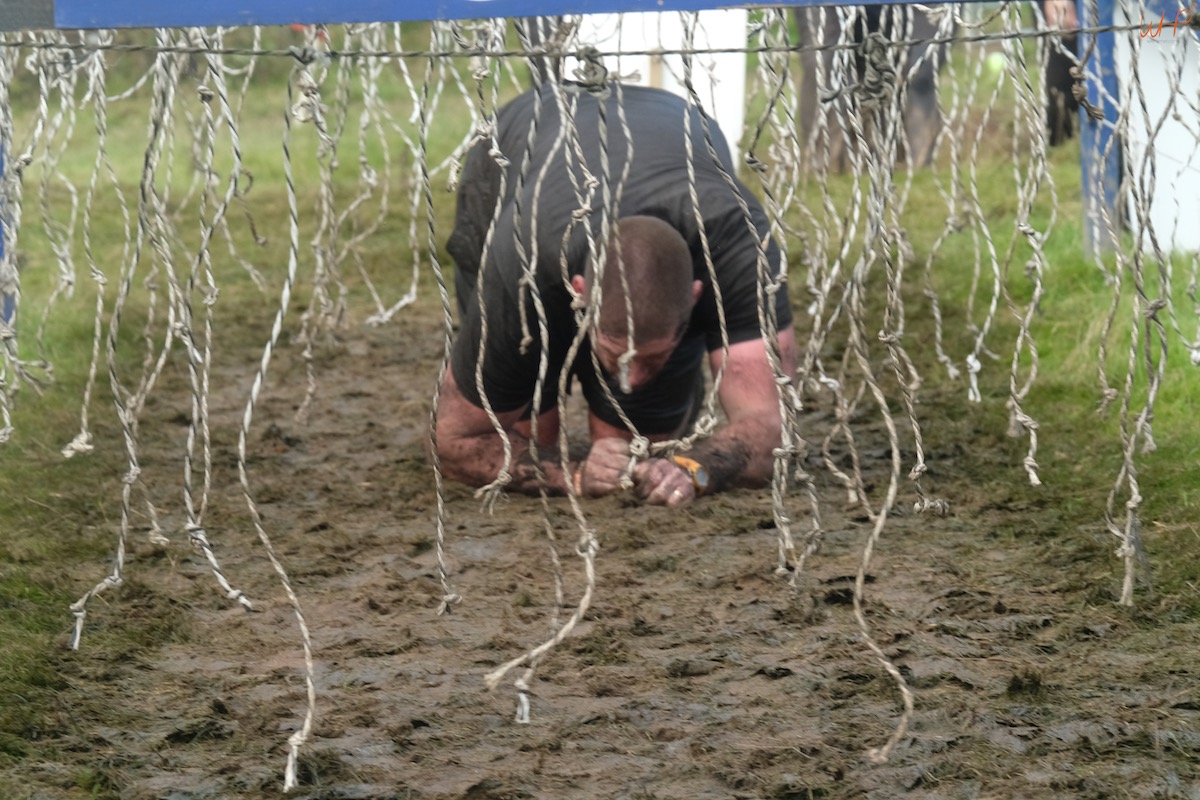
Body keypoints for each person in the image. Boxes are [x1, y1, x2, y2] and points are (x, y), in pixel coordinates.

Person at [433, 83, 796, 507]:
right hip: (518, 148)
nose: (632, 377)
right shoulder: (522, 254)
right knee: (533, 431)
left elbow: (773, 426)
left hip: (674, 126)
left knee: (641, 453)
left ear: (696, 297)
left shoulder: (738, 242)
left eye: (652, 357)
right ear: (579, 292)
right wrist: (570, 473)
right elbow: (453, 442)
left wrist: (695, 468)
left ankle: (635, 363)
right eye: (617, 353)